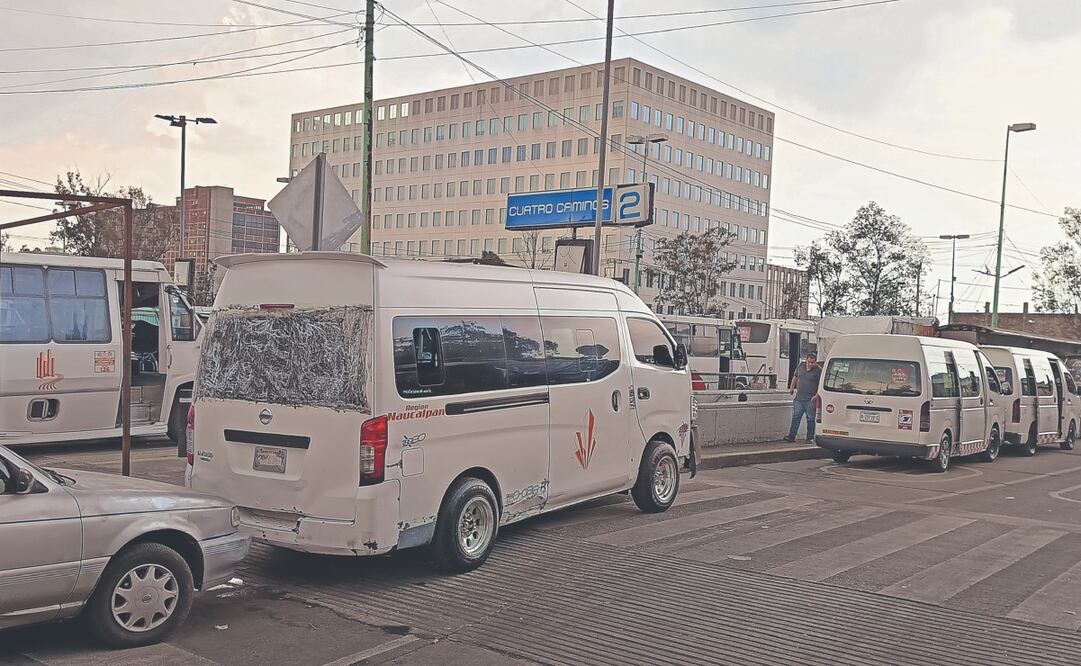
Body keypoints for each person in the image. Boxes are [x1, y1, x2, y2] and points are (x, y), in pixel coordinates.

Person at [784, 352, 821, 443]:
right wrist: (792, 387)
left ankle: (810, 438)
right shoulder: (801, 366)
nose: (810, 364)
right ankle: (791, 436)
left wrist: (816, 395)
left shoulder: (818, 370)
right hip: (799, 398)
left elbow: (821, 385)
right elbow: (795, 377)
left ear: (815, 362)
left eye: (812, 363)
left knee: (810, 419)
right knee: (796, 417)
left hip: (810, 399)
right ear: (806, 360)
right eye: (809, 362)